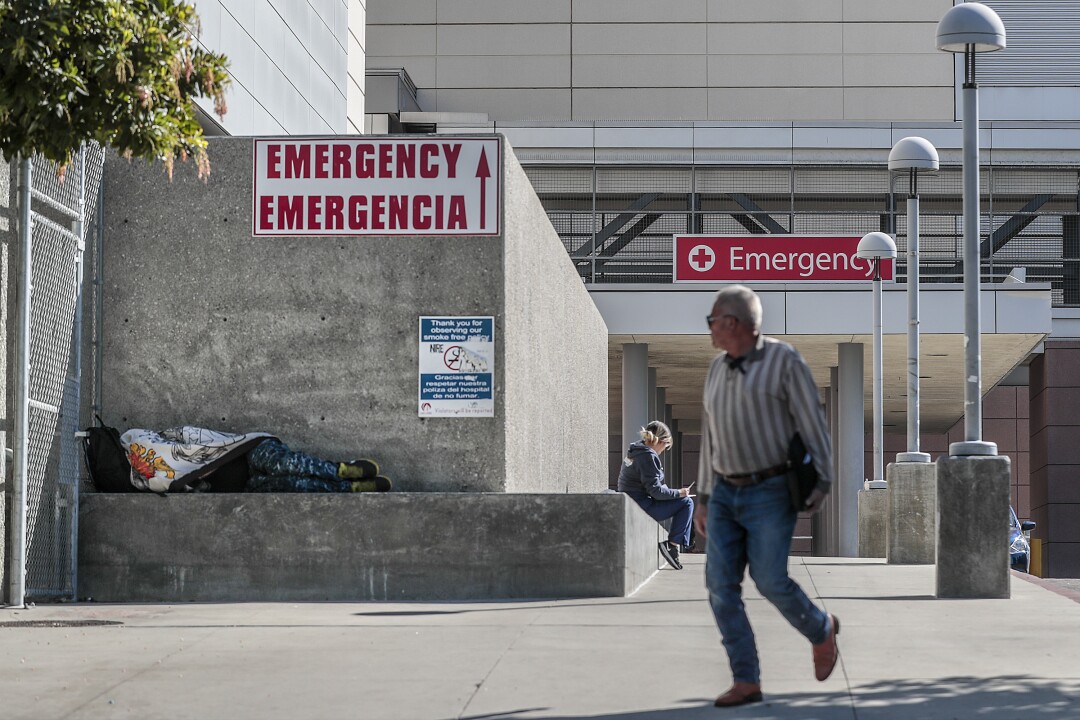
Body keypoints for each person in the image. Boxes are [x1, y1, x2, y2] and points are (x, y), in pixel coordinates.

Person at [694, 285, 839, 708]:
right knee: (720, 587)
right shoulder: (716, 369)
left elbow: (813, 425)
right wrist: (703, 495)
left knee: (770, 580)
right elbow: (710, 439)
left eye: (712, 322)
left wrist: (824, 481)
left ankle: (820, 630)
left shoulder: (785, 362)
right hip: (723, 492)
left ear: (732, 323)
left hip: (771, 490)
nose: (709, 330)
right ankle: (746, 679)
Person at [120, 426, 392, 493]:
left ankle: (343, 470)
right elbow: (169, 486)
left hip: (249, 452)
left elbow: (195, 435)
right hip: (247, 486)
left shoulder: (162, 439)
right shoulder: (151, 481)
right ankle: (351, 488)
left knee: (285, 464)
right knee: (294, 484)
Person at [617, 420, 694, 570]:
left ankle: (676, 544)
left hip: (632, 502)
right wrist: (679, 492)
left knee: (684, 501)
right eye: (666, 446)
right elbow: (656, 492)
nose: (664, 450)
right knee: (686, 503)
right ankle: (672, 546)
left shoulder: (636, 451)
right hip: (640, 506)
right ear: (661, 441)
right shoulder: (648, 456)